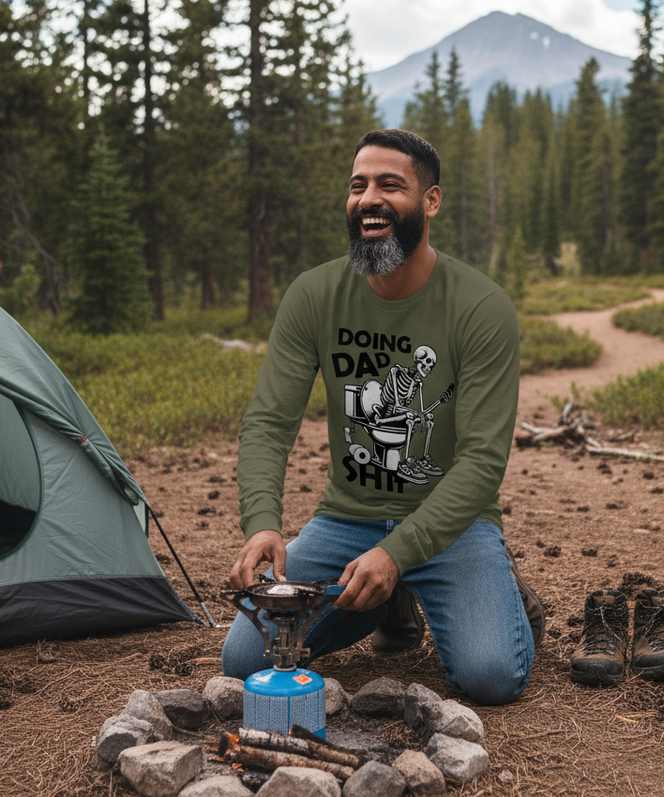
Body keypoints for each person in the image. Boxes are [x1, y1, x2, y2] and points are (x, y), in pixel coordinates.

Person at [221, 128, 543, 705]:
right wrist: (263, 524)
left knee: (491, 677)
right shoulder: (314, 294)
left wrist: (398, 553)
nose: (368, 199)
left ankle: (489, 593)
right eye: (357, 185)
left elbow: (482, 462)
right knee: (245, 660)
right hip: (346, 521)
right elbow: (270, 423)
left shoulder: (481, 306)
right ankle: (391, 598)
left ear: (431, 201)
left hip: (454, 526)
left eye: (390, 185)